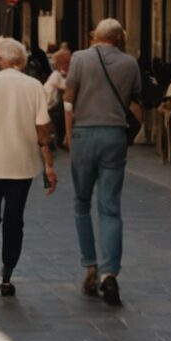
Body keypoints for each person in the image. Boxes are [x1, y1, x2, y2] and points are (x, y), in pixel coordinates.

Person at [0, 37, 57, 296]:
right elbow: (42, 132)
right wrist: (48, 166)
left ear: (2, 59)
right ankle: (7, 276)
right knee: (15, 221)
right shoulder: (33, 85)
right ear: (22, 60)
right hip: (23, 166)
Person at [62, 18, 144, 307]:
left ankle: (91, 266)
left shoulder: (79, 58)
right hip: (114, 136)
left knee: (81, 203)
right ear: (119, 38)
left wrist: (69, 136)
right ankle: (111, 273)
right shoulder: (130, 64)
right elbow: (137, 105)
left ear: (96, 35)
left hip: (84, 134)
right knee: (110, 208)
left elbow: (68, 100)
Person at [44, 47, 72, 150]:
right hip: (49, 105)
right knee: (61, 114)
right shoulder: (56, 75)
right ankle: (61, 140)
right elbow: (67, 86)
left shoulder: (60, 74)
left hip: (52, 104)